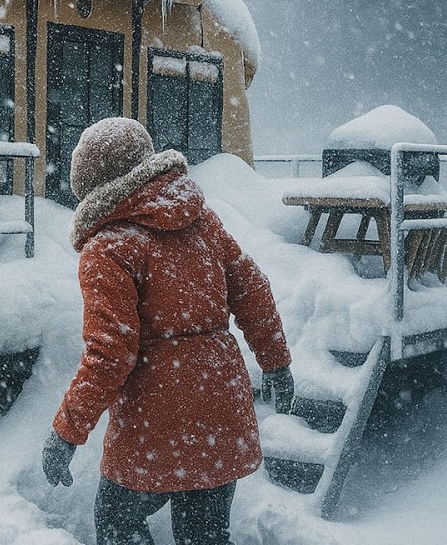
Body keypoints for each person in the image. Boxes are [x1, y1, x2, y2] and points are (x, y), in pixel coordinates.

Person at [42, 117, 294, 545]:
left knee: (117, 524)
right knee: (205, 536)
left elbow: (109, 355)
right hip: (219, 404)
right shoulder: (202, 222)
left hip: (155, 420)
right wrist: (276, 364)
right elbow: (252, 288)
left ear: (90, 185)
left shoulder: (108, 247)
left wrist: (66, 432)